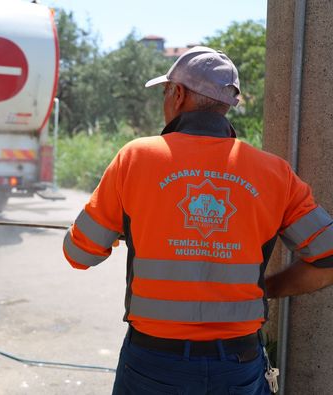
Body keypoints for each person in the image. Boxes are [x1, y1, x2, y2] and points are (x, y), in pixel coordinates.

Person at [62, 46, 333, 394]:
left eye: (165, 91)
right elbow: (327, 259)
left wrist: (118, 227)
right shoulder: (274, 173)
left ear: (178, 94)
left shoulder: (135, 158)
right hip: (238, 364)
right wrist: (268, 288)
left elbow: (79, 255)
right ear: (225, 105)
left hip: (154, 362)